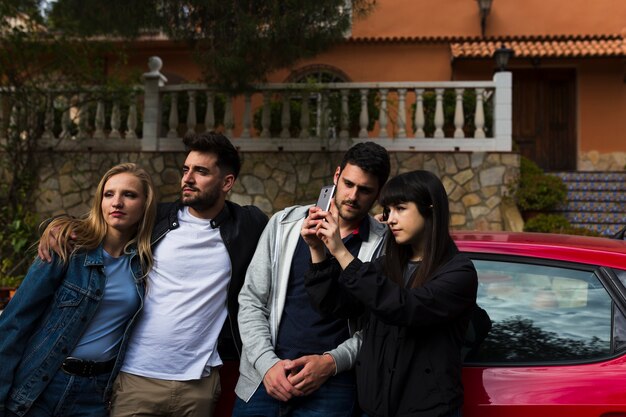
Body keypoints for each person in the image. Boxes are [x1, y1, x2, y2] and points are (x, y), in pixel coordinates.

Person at [38, 132, 269, 417]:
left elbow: (286, 235)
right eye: (186, 169)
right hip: (136, 377)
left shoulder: (247, 224)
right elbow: (104, 223)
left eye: (201, 171)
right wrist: (60, 225)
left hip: (199, 383)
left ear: (227, 182)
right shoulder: (155, 219)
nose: (188, 178)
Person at [302, 170, 478, 417]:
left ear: (430, 208)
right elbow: (335, 304)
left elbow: (406, 308)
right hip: (374, 410)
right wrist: (317, 251)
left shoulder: (459, 272)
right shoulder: (385, 266)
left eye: (400, 208)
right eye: (388, 210)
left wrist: (341, 252)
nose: (391, 219)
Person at [233, 142, 391, 417]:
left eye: (364, 190)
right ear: (336, 176)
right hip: (264, 379)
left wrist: (330, 362)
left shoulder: (383, 244)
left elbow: (378, 326)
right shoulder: (285, 223)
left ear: (379, 192)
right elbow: (251, 300)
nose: (353, 196)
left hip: (333, 383)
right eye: (349, 184)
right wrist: (266, 363)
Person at [0, 163, 156, 417]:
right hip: (43, 382)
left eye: (129, 195)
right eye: (109, 194)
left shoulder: (144, 264)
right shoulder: (68, 248)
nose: (117, 202)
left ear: (145, 204)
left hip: (95, 393)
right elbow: (15, 321)